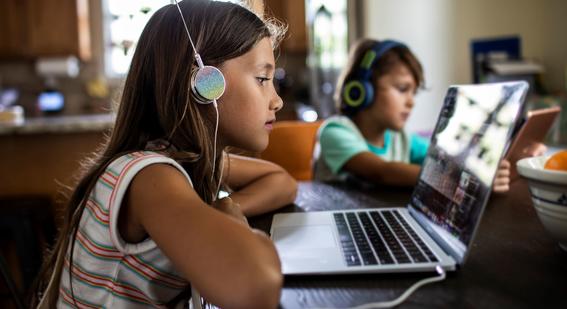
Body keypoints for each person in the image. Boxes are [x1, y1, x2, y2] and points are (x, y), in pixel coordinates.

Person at [32, 1, 296, 308]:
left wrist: (216, 211)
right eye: (262, 79)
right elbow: (256, 286)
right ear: (205, 82)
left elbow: (281, 181)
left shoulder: (186, 158)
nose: (276, 101)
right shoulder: (151, 176)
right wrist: (233, 226)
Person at [313, 38, 545, 192]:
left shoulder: (401, 139)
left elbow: (444, 158)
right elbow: (381, 172)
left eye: (414, 92)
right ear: (362, 90)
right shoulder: (336, 132)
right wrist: (459, 178)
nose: (411, 101)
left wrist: (506, 156)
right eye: (402, 89)